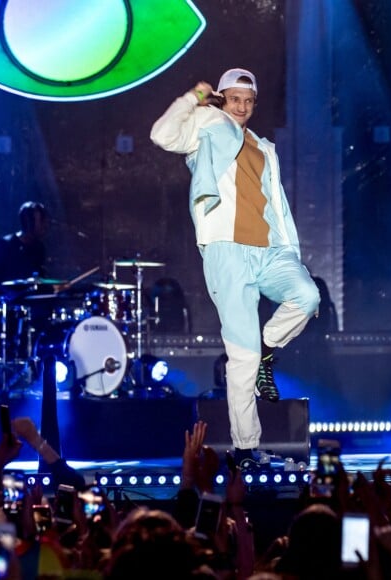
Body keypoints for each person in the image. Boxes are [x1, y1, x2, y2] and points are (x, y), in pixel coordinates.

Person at [150, 68, 320, 468]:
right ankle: (246, 448)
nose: (242, 107)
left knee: (307, 296)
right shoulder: (207, 126)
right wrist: (193, 96)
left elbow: (275, 203)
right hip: (227, 250)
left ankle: (267, 349)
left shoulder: (264, 146)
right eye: (234, 98)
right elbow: (161, 134)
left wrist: (290, 249)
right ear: (222, 99)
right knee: (239, 354)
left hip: (271, 250)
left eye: (248, 100)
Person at [0, 201, 51, 361]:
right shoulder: (5, 245)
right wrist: (6, 292)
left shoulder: (38, 248)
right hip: (3, 308)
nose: (45, 226)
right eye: (41, 221)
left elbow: (36, 278)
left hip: (26, 308)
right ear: (29, 222)